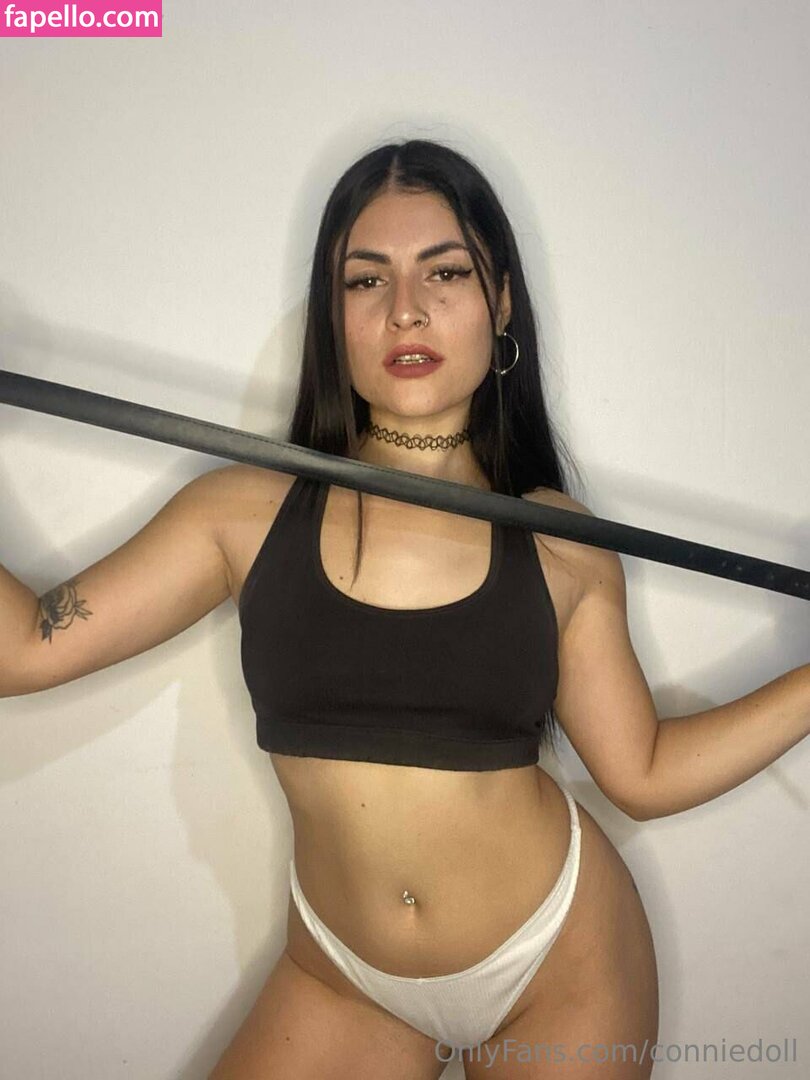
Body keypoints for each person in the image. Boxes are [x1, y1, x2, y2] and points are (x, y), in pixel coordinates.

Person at [1, 139, 807, 1080]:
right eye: (366, 279)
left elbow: (645, 772)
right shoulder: (241, 515)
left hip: (559, 960)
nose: (406, 308)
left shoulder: (560, 541)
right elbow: (20, 651)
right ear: (333, 313)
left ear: (500, 301)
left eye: (446, 271)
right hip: (344, 977)